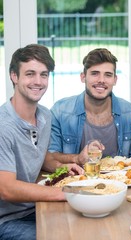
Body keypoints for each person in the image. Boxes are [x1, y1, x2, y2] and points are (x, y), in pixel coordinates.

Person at [0, 44, 84, 240]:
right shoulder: (3, 126)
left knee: (86, 226)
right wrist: (63, 193)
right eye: (30, 74)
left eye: (44, 75)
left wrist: (62, 168)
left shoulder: (45, 115)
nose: (38, 81)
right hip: (6, 220)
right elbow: (6, 189)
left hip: (34, 208)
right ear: (14, 76)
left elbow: (40, 155)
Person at [47, 48, 131, 164]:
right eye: (95, 74)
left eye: (108, 75)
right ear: (83, 77)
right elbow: (51, 156)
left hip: (119, 180)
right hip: (77, 180)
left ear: (115, 80)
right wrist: (77, 158)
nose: (101, 80)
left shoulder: (128, 111)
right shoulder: (60, 111)